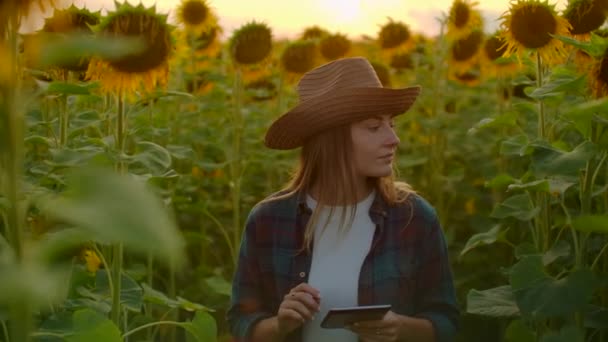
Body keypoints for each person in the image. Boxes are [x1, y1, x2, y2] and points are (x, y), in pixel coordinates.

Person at [227, 57, 459, 342]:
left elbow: (446, 321)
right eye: (374, 127)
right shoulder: (268, 220)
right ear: (331, 140)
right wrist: (280, 325)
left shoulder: (413, 218)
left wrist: (401, 328)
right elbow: (240, 323)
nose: (393, 139)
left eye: (392, 124)